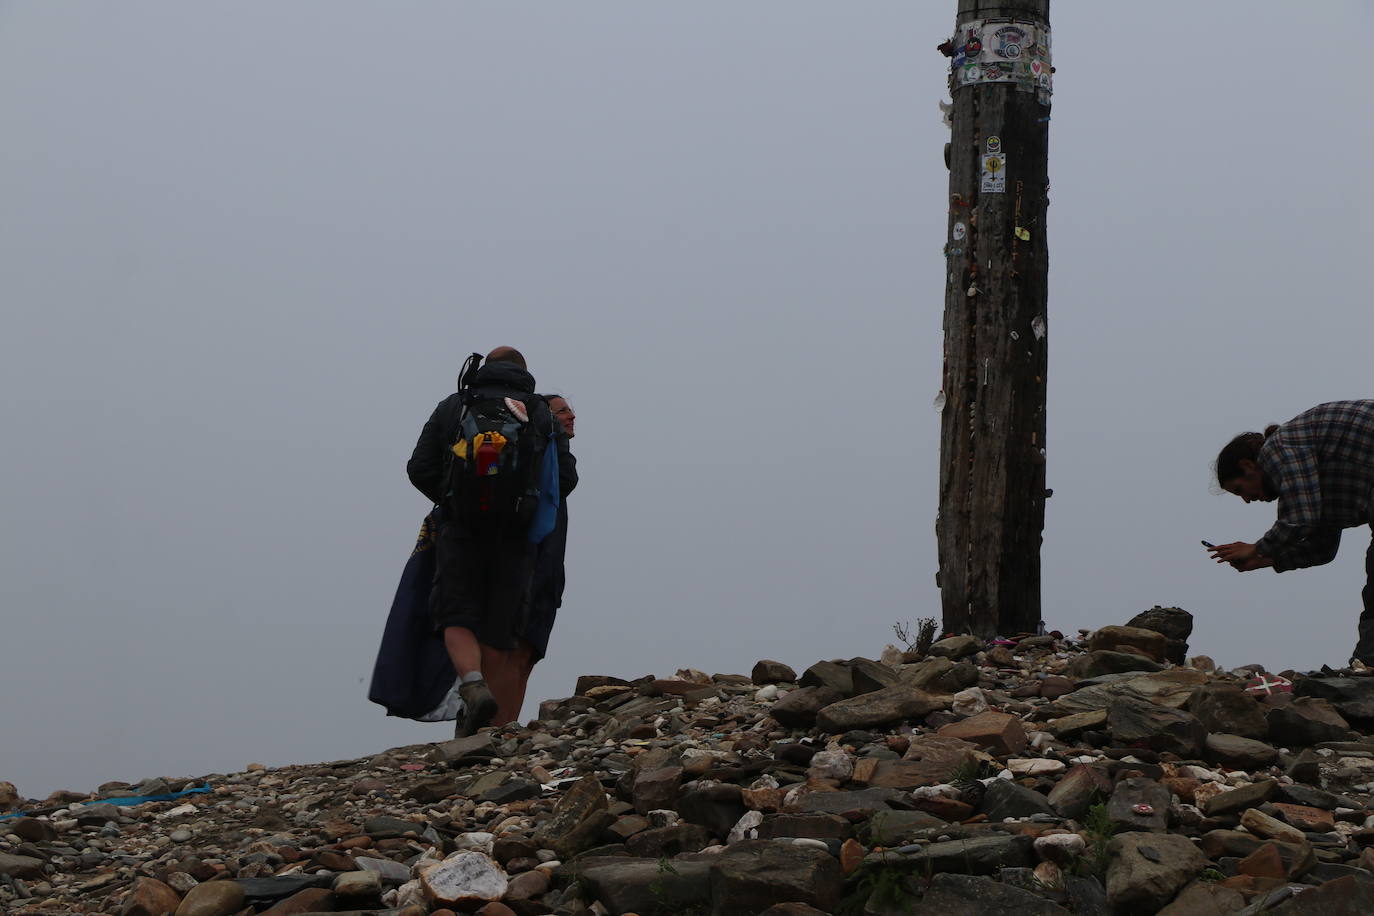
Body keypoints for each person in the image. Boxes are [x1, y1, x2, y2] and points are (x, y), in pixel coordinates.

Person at [407, 347, 575, 734]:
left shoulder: (455, 405)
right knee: (503, 625)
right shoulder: (539, 411)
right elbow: (565, 480)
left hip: (462, 527)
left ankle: (471, 683)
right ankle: (492, 732)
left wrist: (452, 498)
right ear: (524, 372)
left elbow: (420, 468)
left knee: (456, 612)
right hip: (517, 535)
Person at [1209, 400, 1374, 665]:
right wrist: (1268, 559)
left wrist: (1257, 548)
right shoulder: (1314, 476)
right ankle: (1367, 664)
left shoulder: (1279, 448)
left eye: (1240, 489)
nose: (1247, 500)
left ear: (1249, 466)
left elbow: (1299, 518)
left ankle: (1368, 664)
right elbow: (1322, 547)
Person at [511, 395, 576, 713]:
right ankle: (498, 726)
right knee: (520, 653)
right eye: (563, 411)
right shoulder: (545, 460)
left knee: (522, 656)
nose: (572, 416)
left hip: (538, 570)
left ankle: (500, 727)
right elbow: (567, 481)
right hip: (537, 569)